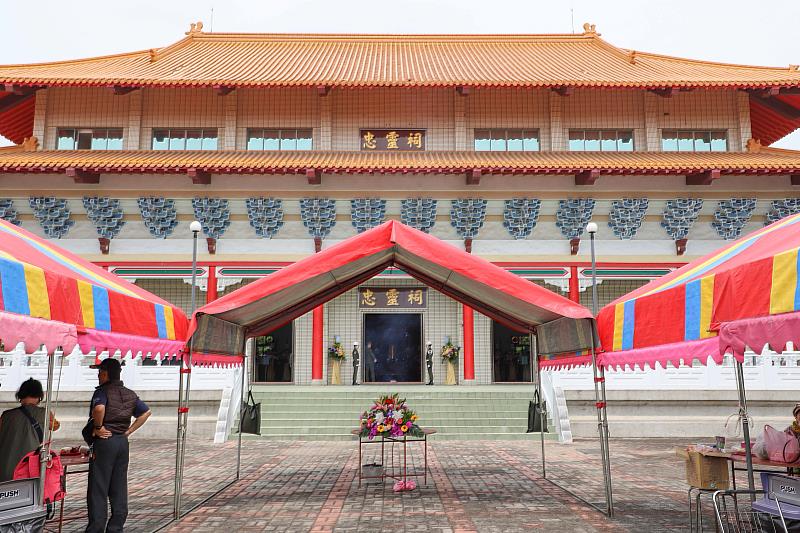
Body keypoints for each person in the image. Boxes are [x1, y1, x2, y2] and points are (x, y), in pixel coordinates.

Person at [86, 358, 151, 533]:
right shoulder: (130, 393)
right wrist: (129, 431)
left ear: (106, 374)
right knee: (119, 486)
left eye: (100, 372)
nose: (98, 376)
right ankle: (116, 527)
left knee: (99, 487)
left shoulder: (103, 392)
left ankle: (96, 527)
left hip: (105, 441)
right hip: (122, 442)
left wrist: (98, 427)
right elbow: (146, 412)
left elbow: (99, 409)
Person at [0, 378, 59, 482]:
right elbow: (55, 426)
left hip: (4, 470)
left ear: (20, 395)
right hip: (30, 471)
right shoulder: (44, 414)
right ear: (39, 396)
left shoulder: (6, 415)